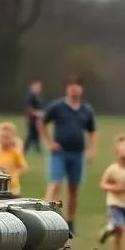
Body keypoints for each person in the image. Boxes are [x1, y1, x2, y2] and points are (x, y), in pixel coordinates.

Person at [39, 76, 97, 237]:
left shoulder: (86, 110)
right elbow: (42, 121)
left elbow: (92, 132)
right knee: (55, 183)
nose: (74, 90)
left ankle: (70, 222)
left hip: (77, 153)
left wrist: (91, 150)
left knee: (74, 189)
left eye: (77, 86)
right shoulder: (58, 107)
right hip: (60, 152)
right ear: (67, 89)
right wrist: (49, 142)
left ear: (81, 89)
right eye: (71, 86)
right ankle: (44, 217)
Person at [0, 122, 28, 195]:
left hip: (12, 187)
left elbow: (23, 168)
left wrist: (15, 174)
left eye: (7, 137)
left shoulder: (15, 152)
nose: (3, 140)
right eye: (1, 136)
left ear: (13, 138)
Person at [23, 80, 44, 154]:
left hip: (37, 120)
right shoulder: (30, 96)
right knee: (31, 135)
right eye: (36, 87)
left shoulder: (38, 97)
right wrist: (36, 113)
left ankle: (38, 149)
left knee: (37, 134)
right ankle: (24, 150)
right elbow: (28, 108)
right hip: (31, 119)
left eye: (39, 87)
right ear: (32, 87)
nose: (38, 88)